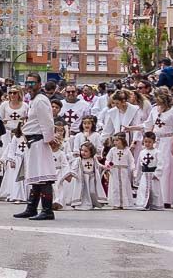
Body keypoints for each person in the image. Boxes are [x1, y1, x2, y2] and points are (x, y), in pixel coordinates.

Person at [13, 75, 58, 221]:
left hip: (40, 142)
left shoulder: (40, 101)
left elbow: (47, 123)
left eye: (32, 82)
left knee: (44, 177)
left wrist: (50, 140)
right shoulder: (33, 100)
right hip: (32, 142)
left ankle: (47, 210)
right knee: (35, 177)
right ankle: (31, 208)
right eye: (27, 82)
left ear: (39, 84)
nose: (29, 85)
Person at [147, 89, 173, 207]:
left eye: (158, 97)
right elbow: (148, 124)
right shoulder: (154, 109)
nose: (156, 99)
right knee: (155, 167)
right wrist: (132, 128)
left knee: (167, 169)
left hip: (168, 140)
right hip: (156, 141)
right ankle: (155, 197)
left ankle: (167, 198)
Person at [65, 142, 106, 211]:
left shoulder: (93, 159)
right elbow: (74, 168)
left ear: (91, 152)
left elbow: (98, 165)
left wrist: (104, 167)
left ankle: (93, 202)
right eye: (82, 150)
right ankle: (84, 204)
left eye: (86, 151)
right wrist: (71, 174)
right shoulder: (79, 160)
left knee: (92, 191)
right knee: (84, 193)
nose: (83, 152)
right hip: (83, 179)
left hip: (92, 178)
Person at [103, 132, 134, 210]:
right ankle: (116, 203)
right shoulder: (113, 150)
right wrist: (108, 165)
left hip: (124, 171)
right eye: (114, 141)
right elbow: (107, 159)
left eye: (117, 140)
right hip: (115, 171)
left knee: (124, 186)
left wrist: (132, 168)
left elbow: (131, 160)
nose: (115, 142)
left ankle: (125, 203)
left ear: (122, 140)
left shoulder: (127, 151)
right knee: (115, 187)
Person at [134, 131, 163, 211]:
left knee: (155, 190)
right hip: (145, 174)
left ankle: (155, 204)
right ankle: (143, 204)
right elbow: (139, 165)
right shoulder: (142, 152)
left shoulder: (157, 152)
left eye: (150, 142)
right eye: (146, 141)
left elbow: (160, 164)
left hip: (153, 174)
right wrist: (137, 175)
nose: (147, 143)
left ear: (154, 141)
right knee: (143, 189)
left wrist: (157, 174)